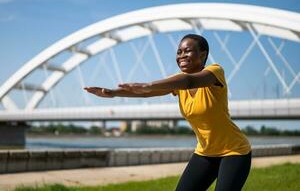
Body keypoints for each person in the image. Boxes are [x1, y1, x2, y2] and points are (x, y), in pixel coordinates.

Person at [84, 34, 252, 191]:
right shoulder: (178, 83)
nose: (182, 55)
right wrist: (113, 93)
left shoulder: (215, 72)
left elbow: (188, 81)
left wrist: (147, 85)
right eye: (179, 52)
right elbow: (147, 93)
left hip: (234, 151)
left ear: (202, 55)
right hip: (205, 152)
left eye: (188, 51)